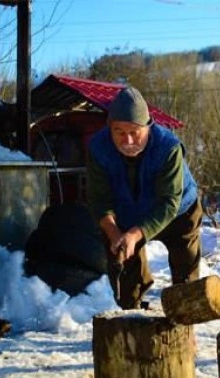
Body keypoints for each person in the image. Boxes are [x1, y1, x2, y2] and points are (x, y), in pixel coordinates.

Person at [86, 86, 203, 310]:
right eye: (119, 132)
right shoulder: (98, 148)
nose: (127, 140)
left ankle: (185, 321)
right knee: (126, 271)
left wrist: (136, 233)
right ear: (110, 129)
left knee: (185, 275)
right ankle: (133, 317)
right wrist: (115, 234)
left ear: (148, 127)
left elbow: (169, 203)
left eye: (134, 132)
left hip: (179, 210)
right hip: (128, 210)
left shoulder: (168, 148)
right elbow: (99, 200)